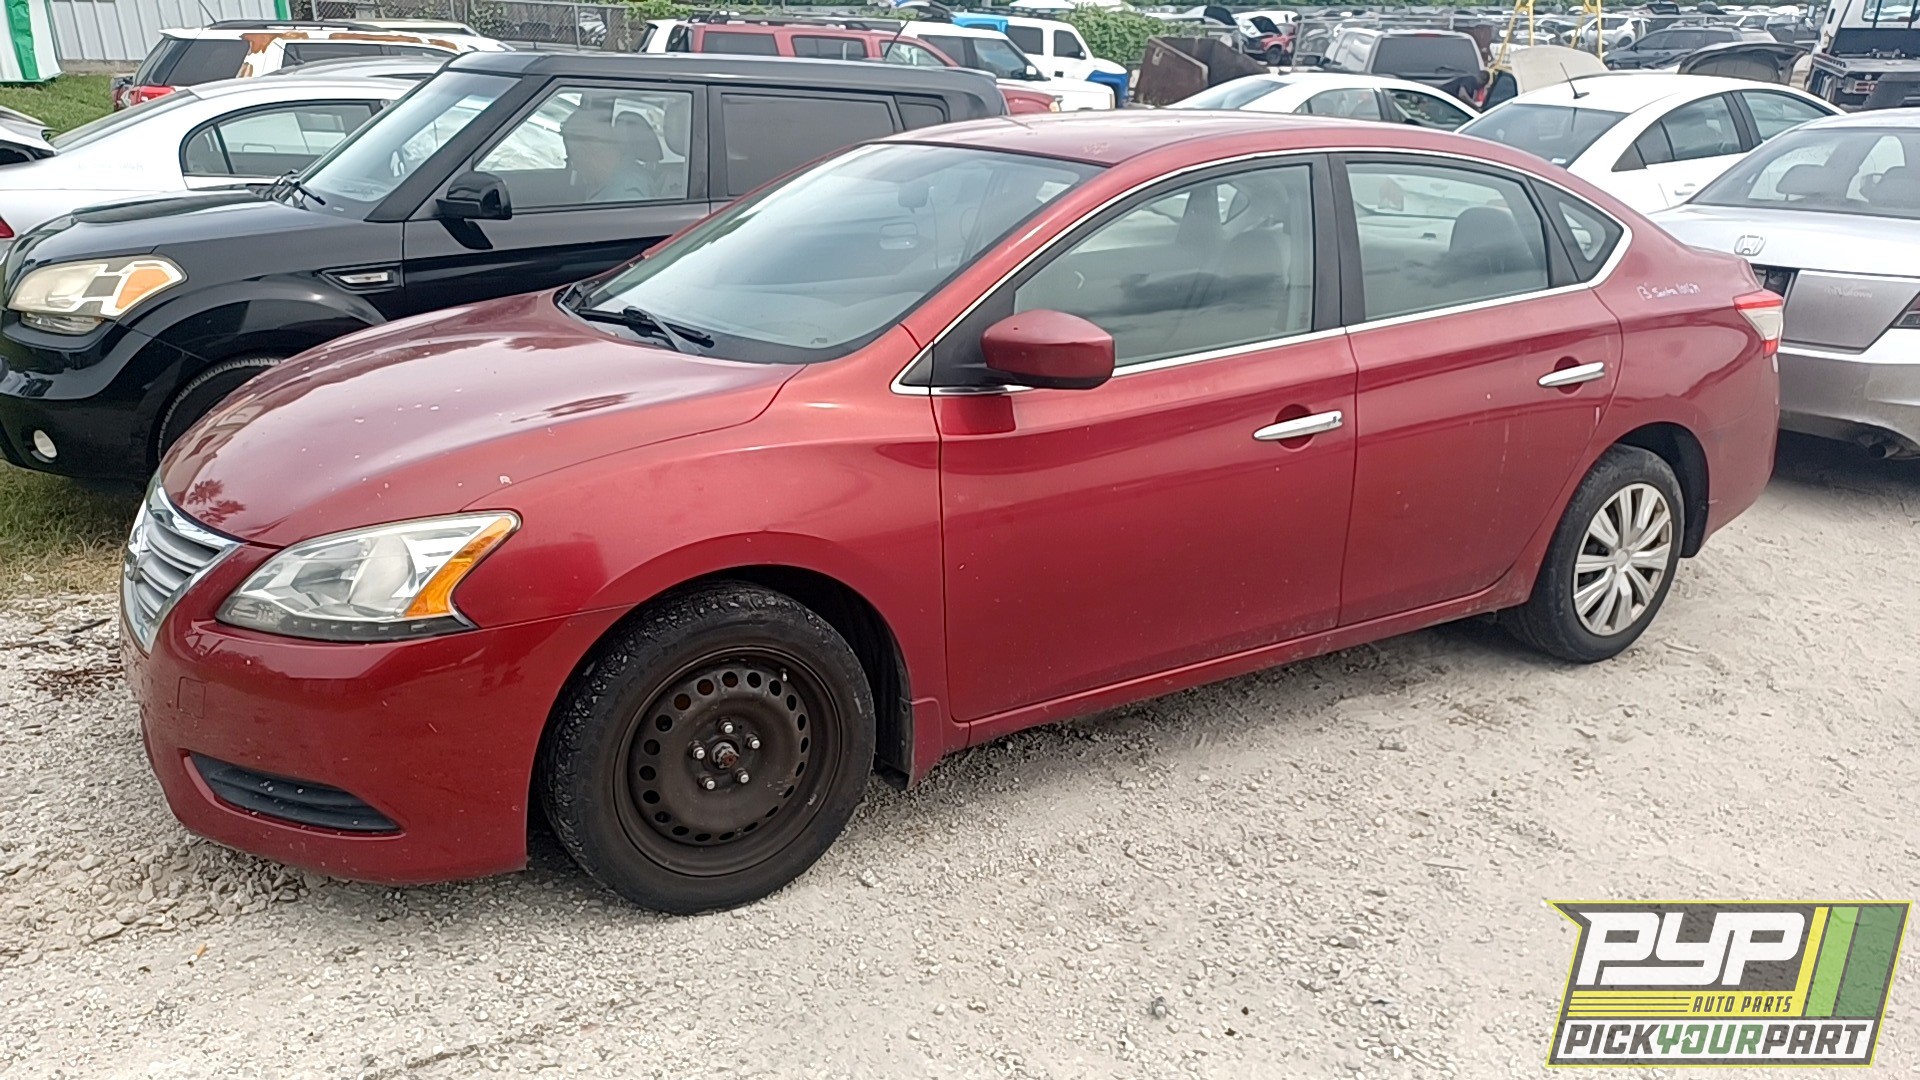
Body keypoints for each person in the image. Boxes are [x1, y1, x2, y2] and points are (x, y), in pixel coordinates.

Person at [560, 101, 666, 203]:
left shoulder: (625, 195)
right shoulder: (609, 181)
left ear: (584, 154)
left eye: (573, 157)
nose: (575, 167)